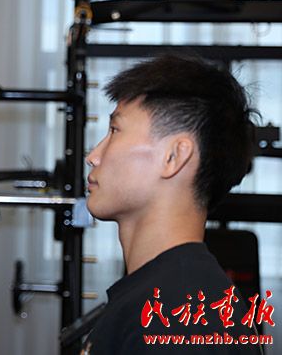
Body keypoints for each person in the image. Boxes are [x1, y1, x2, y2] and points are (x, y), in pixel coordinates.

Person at [82, 55, 265, 354]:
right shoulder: (170, 298)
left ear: (174, 157)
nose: (93, 156)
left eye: (115, 130)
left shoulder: (177, 316)